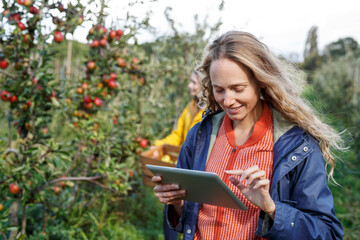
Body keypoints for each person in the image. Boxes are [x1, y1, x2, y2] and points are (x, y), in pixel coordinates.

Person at [152, 31, 344, 240]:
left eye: (238, 89)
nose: (228, 100)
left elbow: (328, 233)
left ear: (260, 81)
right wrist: (176, 203)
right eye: (219, 90)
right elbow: (188, 220)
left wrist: (272, 208)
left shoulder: (298, 145)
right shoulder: (200, 135)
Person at [151, 70, 205, 240]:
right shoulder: (190, 107)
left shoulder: (210, 111)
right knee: (172, 206)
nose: (190, 86)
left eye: (194, 82)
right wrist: (158, 146)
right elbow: (178, 135)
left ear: (204, 84)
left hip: (196, 169)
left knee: (193, 212)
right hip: (181, 164)